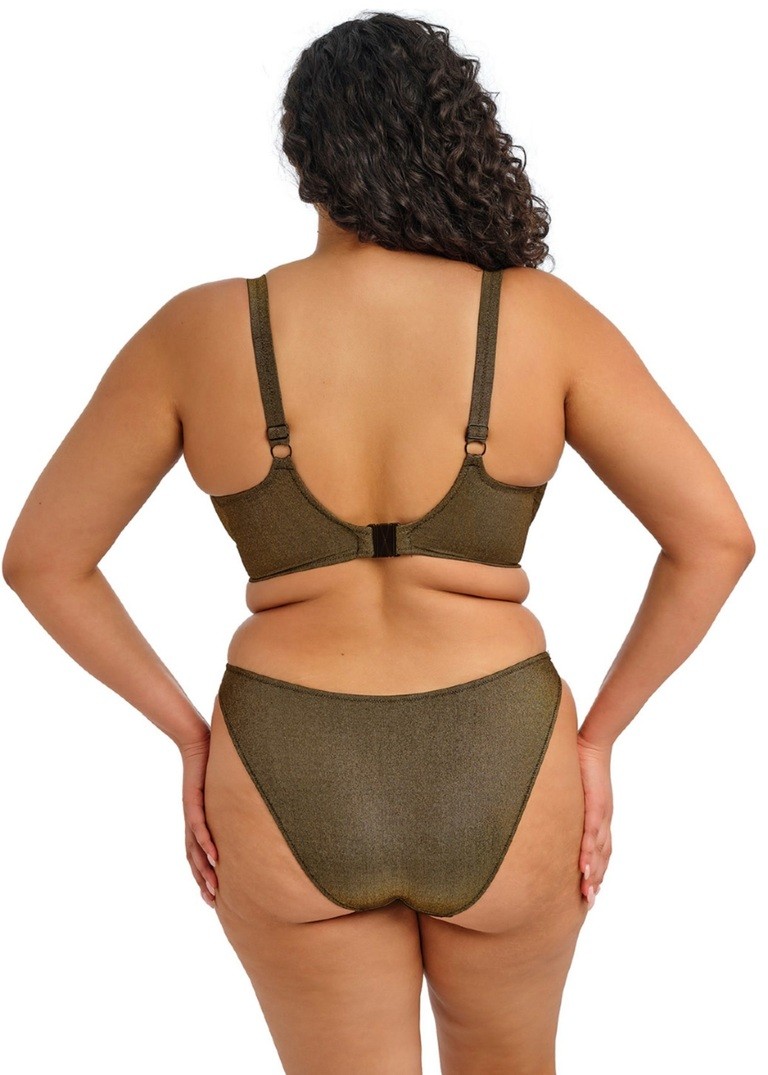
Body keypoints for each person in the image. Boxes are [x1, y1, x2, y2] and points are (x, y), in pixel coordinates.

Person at [3, 12, 755, 1075]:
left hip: (283, 757)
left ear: (305, 156)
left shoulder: (200, 331)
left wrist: (189, 736)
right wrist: (598, 741)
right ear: (452, 144)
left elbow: (42, 558)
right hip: (502, 751)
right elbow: (716, 538)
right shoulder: (538, 319)